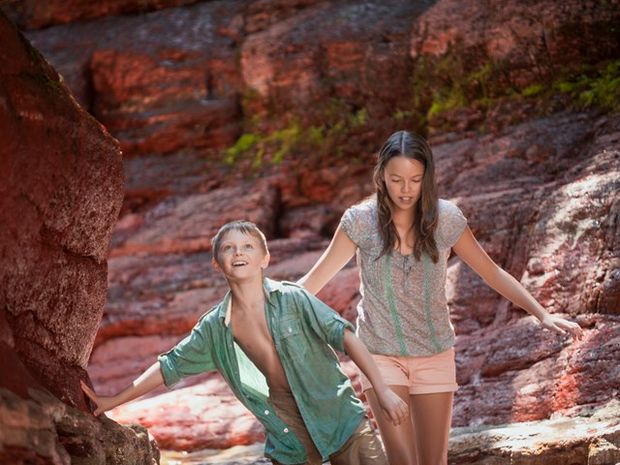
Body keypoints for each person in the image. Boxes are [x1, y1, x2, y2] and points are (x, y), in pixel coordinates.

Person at [297, 130, 583, 465]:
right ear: (381, 176)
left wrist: (542, 313)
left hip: (434, 354)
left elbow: (491, 272)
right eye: (396, 179)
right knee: (403, 460)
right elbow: (312, 281)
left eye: (415, 180)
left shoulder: (445, 218)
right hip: (379, 355)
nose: (406, 190)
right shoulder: (360, 222)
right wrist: (255, 303)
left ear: (427, 178)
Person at [81, 220, 409, 465]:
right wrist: (114, 400)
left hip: (340, 420)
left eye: (248, 246)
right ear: (216, 263)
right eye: (228, 248)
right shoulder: (214, 328)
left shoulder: (293, 299)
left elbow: (345, 335)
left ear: (265, 258)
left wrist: (383, 392)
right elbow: (170, 366)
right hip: (289, 437)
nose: (239, 252)